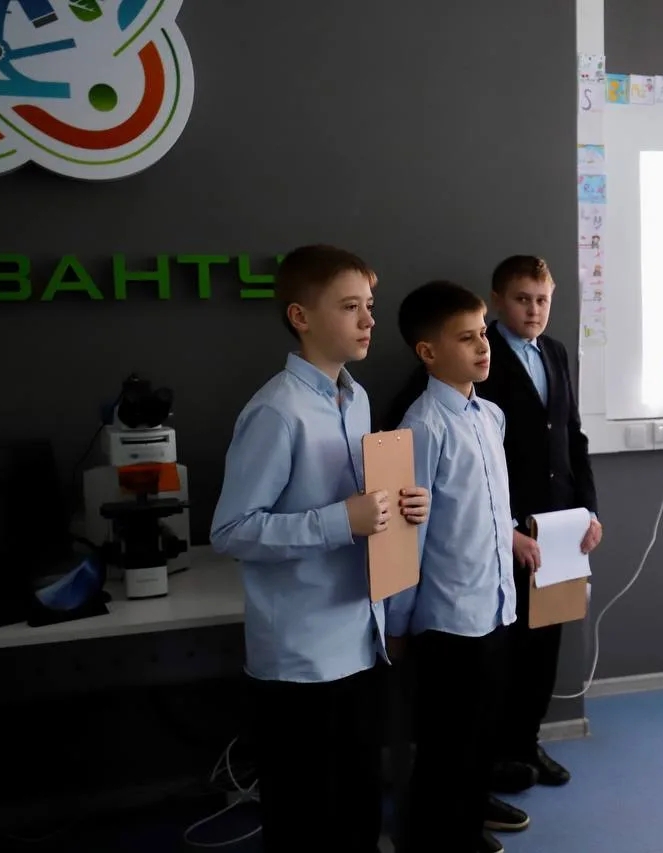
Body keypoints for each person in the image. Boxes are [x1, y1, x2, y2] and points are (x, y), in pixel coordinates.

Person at [210, 245, 430, 853]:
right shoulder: (277, 411)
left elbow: (361, 505)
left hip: (360, 636)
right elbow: (231, 530)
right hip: (302, 656)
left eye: (370, 306)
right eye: (350, 307)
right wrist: (341, 521)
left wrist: (402, 506)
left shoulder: (356, 399)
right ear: (301, 316)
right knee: (307, 818)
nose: (368, 320)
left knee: (359, 804)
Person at [385, 280, 518, 853]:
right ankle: (430, 839)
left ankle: (464, 829)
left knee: (481, 735)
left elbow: (489, 512)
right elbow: (406, 535)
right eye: (466, 338)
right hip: (447, 618)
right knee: (445, 746)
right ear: (428, 352)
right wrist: (398, 620)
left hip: (494, 605)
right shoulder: (421, 426)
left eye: (483, 333)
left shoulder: (490, 416)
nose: (483, 345)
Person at [477, 255, 601, 794]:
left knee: (544, 645)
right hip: (500, 527)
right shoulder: (478, 350)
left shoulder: (555, 352)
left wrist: (588, 509)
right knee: (501, 649)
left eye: (542, 300)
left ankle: (527, 743)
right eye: (522, 299)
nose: (533, 310)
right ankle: (493, 757)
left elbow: (572, 436)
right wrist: (503, 526)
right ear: (498, 301)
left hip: (558, 527)